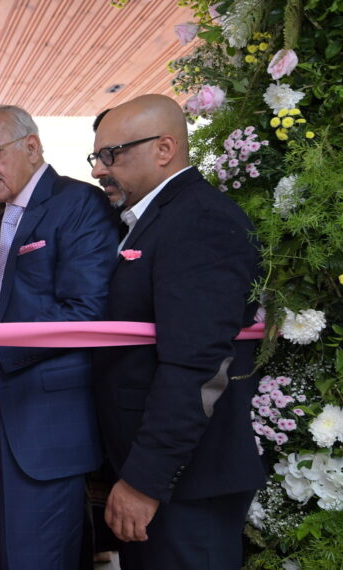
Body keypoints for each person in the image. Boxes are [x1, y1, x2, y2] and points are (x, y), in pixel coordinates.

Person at [89, 94, 263, 569]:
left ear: (164, 149)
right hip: (167, 479)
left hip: (185, 483)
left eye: (112, 154)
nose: (99, 170)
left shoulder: (199, 220)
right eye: (97, 156)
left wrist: (145, 480)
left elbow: (198, 364)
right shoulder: (155, 219)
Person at [0, 104, 118, 568]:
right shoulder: (0, 218)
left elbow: (86, 311)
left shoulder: (78, 203)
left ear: (32, 146)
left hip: (47, 423)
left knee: (38, 558)